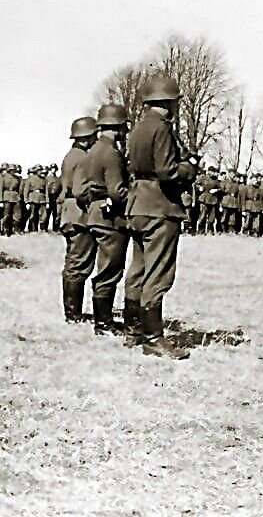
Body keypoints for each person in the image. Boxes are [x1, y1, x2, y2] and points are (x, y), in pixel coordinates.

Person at [123, 75, 195, 359]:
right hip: (160, 207)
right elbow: (167, 172)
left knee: (138, 270)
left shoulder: (138, 128)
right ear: (168, 102)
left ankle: (133, 331)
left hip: (138, 205)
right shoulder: (162, 128)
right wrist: (188, 169)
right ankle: (153, 338)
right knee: (158, 273)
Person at [76, 104, 131, 334]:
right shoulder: (111, 153)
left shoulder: (92, 151)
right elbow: (117, 191)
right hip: (110, 218)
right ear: (118, 127)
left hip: (94, 213)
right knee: (110, 271)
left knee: (104, 269)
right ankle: (104, 324)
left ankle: (103, 320)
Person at [59, 117, 98, 322]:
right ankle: (73, 314)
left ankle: (73, 312)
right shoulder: (82, 158)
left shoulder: (72, 155)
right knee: (78, 264)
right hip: (80, 213)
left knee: (75, 263)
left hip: (71, 212)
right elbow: (81, 190)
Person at [196, 166, 221, 235]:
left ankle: (210, 230)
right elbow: (196, 184)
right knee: (202, 216)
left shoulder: (215, 180)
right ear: (209, 171)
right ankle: (201, 230)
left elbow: (220, 188)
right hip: (204, 199)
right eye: (212, 172)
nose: (213, 173)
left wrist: (216, 190)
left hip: (213, 200)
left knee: (211, 217)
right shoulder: (202, 177)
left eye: (214, 172)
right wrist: (200, 188)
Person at [44, 164, 62, 232]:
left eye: (54, 169)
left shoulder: (58, 179)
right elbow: (45, 190)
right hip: (49, 197)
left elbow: (60, 189)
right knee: (47, 214)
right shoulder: (47, 179)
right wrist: (47, 201)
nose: (53, 170)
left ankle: (55, 229)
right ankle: (45, 228)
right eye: (52, 169)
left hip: (56, 197)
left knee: (55, 214)